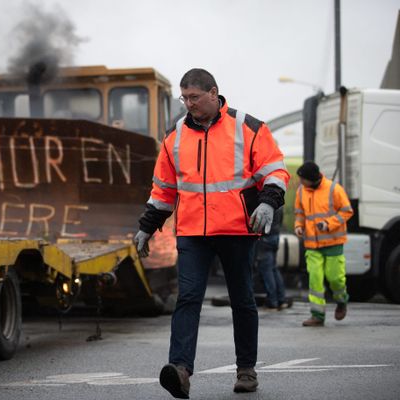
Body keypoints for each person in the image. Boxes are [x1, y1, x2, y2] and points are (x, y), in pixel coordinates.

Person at [133, 68, 289, 398]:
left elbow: (274, 170)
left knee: (242, 300)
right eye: (184, 97)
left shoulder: (248, 127)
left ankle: (246, 370)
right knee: (187, 299)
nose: (188, 104)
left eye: (194, 97)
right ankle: (180, 370)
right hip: (193, 234)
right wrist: (146, 227)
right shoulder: (173, 136)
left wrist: (268, 203)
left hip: (237, 231)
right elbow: (163, 190)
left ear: (213, 93)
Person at [294, 161, 353, 327]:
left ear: (311, 179)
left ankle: (342, 301)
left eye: (303, 179)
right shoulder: (301, 191)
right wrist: (299, 227)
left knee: (335, 279)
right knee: (315, 280)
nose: (300, 182)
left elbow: (347, 210)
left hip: (333, 242)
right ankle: (317, 315)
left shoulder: (334, 189)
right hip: (312, 245)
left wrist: (329, 223)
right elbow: (299, 213)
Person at [255, 207, 291, 310]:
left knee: (266, 270)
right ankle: (281, 299)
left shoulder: (266, 203)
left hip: (265, 238)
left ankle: (272, 301)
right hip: (275, 237)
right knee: (274, 268)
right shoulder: (278, 203)